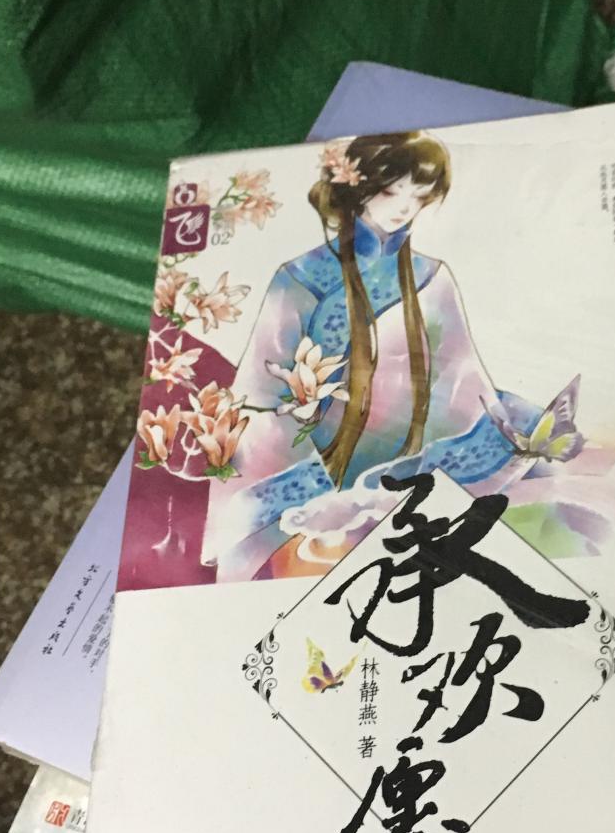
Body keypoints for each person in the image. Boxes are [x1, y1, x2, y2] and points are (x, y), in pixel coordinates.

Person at [204, 131, 555, 581]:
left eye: (419, 195)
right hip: (320, 452)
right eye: (391, 191)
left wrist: (507, 427)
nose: (405, 207)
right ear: (358, 187)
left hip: (415, 445)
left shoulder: (432, 276)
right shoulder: (299, 277)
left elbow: (462, 377)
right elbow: (261, 390)